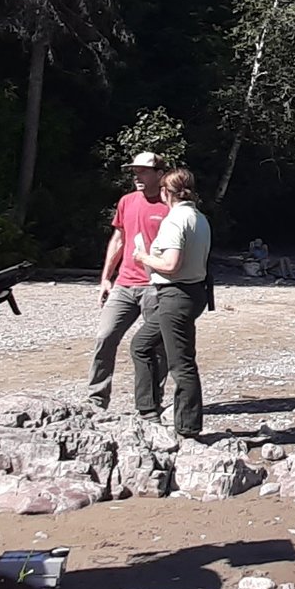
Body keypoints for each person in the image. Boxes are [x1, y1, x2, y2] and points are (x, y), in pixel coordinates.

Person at [88, 151, 173, 410]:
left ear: (160, 174)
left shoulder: (171, 205)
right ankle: (96, 399)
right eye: (135, 171)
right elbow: (119, 239)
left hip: (156, 286)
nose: (137, 176)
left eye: (143, 171)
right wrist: (105, 278)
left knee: (155, 347)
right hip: (124, 284)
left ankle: (150, 403)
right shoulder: (126, 201)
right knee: (105, 337)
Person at [136, 166, 213, 441]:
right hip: (192, 294)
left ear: (168, 193)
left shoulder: (174, 220)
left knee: (181, 364)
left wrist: (143, 257)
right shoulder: (199, 218)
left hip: (175, 296)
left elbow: (170, 264)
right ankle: (148, 410)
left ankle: (188, 429)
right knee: (142, 345)